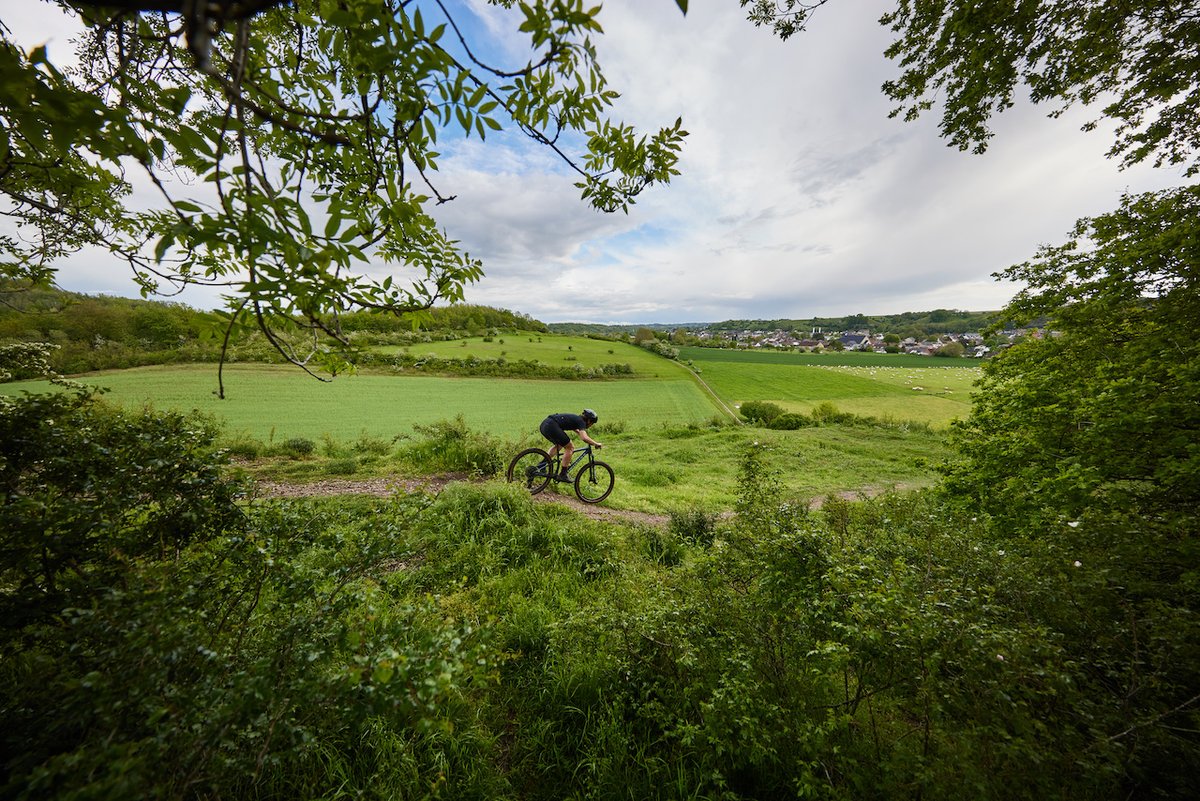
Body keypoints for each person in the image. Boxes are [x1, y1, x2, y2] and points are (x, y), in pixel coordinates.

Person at [539, 408, 603, 482]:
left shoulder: (577, 419)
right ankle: (563, 474)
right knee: (570, 447)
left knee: (559, 445)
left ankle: (542, 465)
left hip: (545, 425)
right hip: (552, 426)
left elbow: (578, 431)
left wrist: (589, 439)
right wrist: (595, 443)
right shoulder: (581, 422)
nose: (591, 425)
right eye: (592, 423)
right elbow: (584, 438)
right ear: (588, 420)